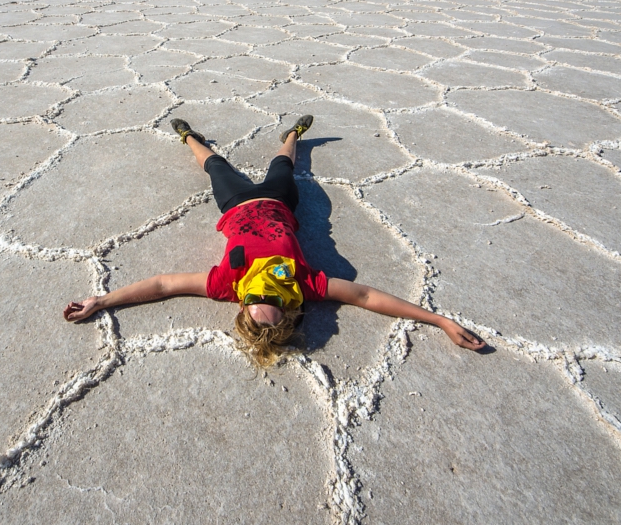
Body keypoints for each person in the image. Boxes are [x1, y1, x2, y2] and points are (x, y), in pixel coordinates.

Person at [64, 116, 486, 367]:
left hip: (234, 206)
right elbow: (366, 296)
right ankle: (293, 136)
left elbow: (160, 285)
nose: (267, 292)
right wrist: (440, 321)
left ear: (244, 308)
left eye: (257, 303)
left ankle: (190, 136)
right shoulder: (304, 285)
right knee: (283, 163)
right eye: (276, 304)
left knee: (214, 164)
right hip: (282, 203)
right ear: (289, 311)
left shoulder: (225, 285)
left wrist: (101, 301)